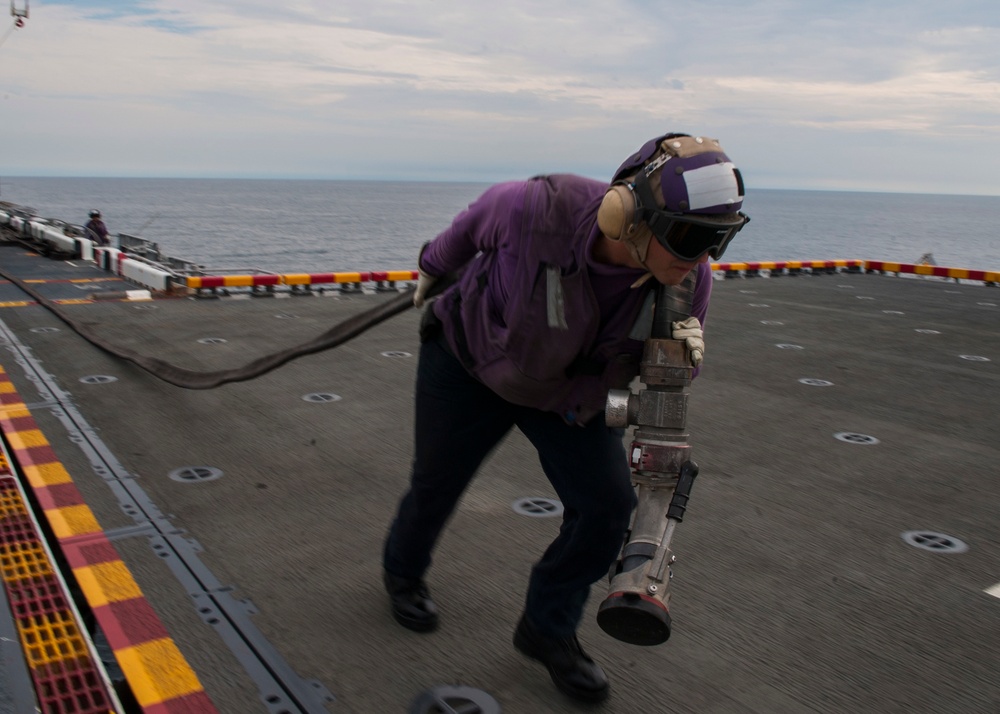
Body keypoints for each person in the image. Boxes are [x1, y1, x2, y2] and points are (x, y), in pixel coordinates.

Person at [382, 132, 749, 702]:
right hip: (470, 360)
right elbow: (468, 229)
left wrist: (680, 364)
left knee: (607, 509)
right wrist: (433, 267)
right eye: (689, 238)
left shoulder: (685, 284)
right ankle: (402, 573)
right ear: (626, 214)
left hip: (566, 395)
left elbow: (661, 399)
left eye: (718, 242)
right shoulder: (537, 210)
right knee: (436, 481)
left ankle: (546, 628)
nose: (702, 260)